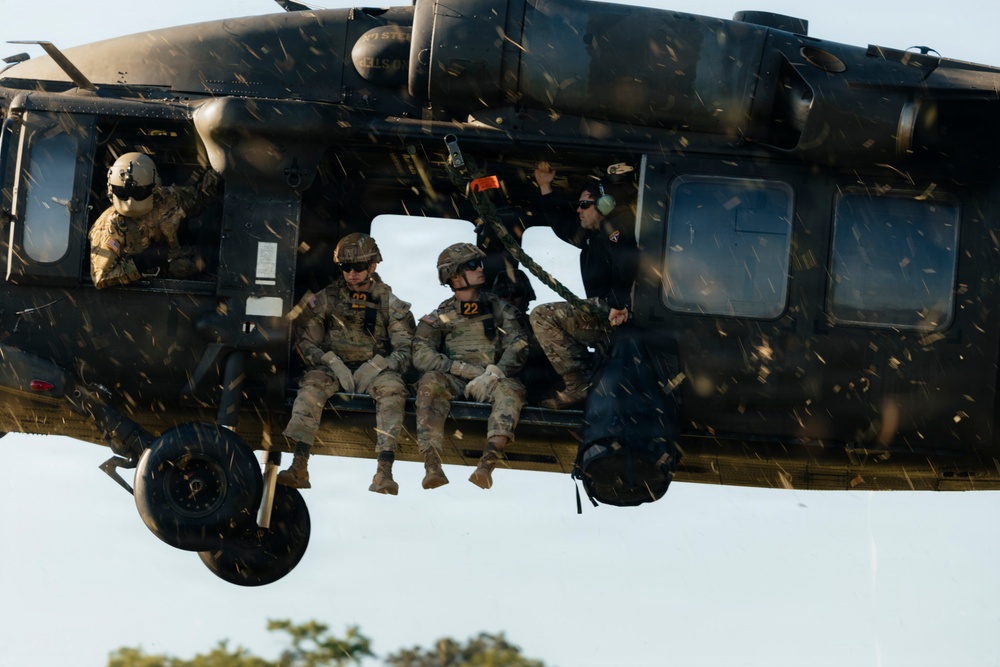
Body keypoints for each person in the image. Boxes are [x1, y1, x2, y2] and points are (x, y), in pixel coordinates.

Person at [278, 232, 415, 494]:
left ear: (372, 266)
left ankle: (384, 471)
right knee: (311, 388)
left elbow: (406, 349)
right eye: (345, 267)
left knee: (393, 391)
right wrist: (330, 360)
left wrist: (377, 366)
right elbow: (306, 342)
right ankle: (299, 464)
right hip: (332, 369)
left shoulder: (388, 301)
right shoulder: (327, 298)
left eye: (359, 267)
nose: (351, 273)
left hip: (376, 371)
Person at [412, 243, 529, 490]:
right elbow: (421, 353)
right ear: (454, 276)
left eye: (479, 264)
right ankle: (432, 465)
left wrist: (495, 373)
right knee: (430, 382)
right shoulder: (442, 314)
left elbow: (518, 345)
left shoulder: (499, 308)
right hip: (455, 379)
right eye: (472, 265)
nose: (480, 269)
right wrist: (460, 370)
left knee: (511, 392)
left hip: (493, 380)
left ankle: (486, 465)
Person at [529, 161, 640, 409]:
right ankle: (587, 376)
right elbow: (564, 228)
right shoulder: (595, 237)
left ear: (604, 205)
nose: (578, 211)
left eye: (583, 205)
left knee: (542, 316)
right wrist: (545, 187)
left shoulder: (618, 227)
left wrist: (618, 303)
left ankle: (577, 384)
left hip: (615, 312)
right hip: (608, 311)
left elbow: (628, 260)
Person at [89, 152, 219, 289]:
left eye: (139, 192)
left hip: (175, 268)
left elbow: (200, 198)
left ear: (154, 187)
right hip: (140, 288)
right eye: (121, 192)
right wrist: (144, 262)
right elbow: (101, 278)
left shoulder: (167, 199)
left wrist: (221, 171)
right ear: (111, 189)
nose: (130, 200)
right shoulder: (108, 226)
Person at [491, 267, 559, 404]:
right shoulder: (488, 327)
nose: (510, 298)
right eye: (504, 293)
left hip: (540, 391)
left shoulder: (542, 325)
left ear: (527, 296)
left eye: (517, 293)